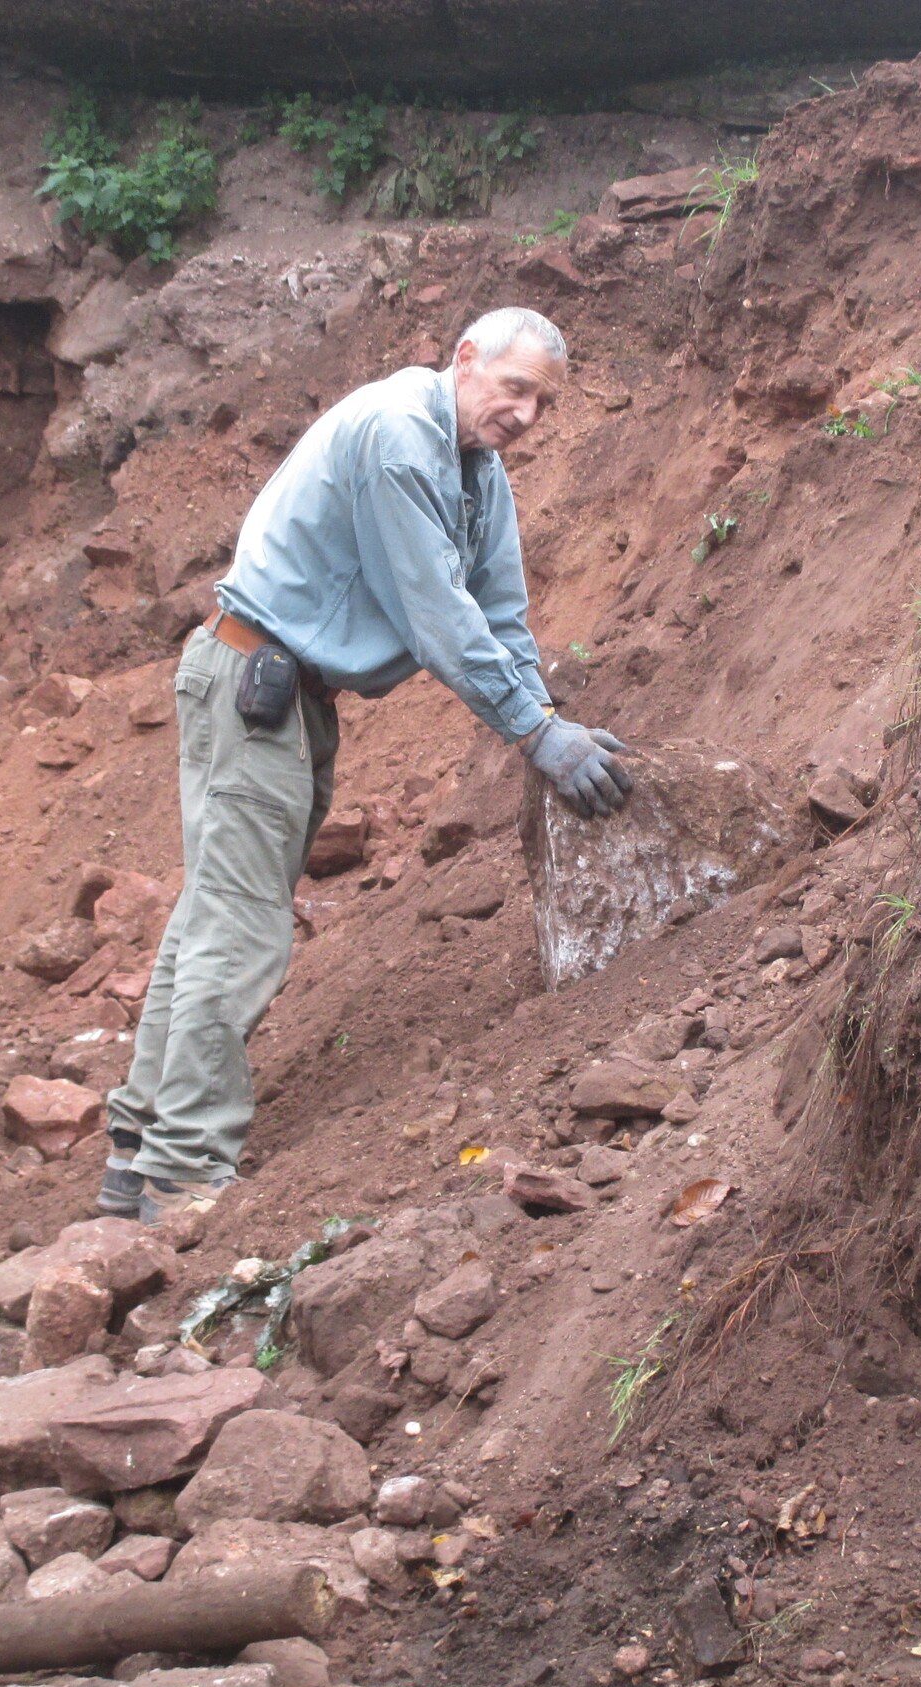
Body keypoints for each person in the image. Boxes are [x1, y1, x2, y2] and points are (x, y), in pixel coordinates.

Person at [97, 306, 635, 1221]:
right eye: (515, 389)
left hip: (288, 695)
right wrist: (534, 736)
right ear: (465, 358)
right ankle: (182, 1173)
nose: (526, 415)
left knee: (216, 915)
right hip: (249, 678)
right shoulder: (397, 434)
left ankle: (138, 1153)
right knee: (240, 925)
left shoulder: (479, 472)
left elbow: (500, 614)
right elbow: (439, 617)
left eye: (543, 402)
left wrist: (548, 718)